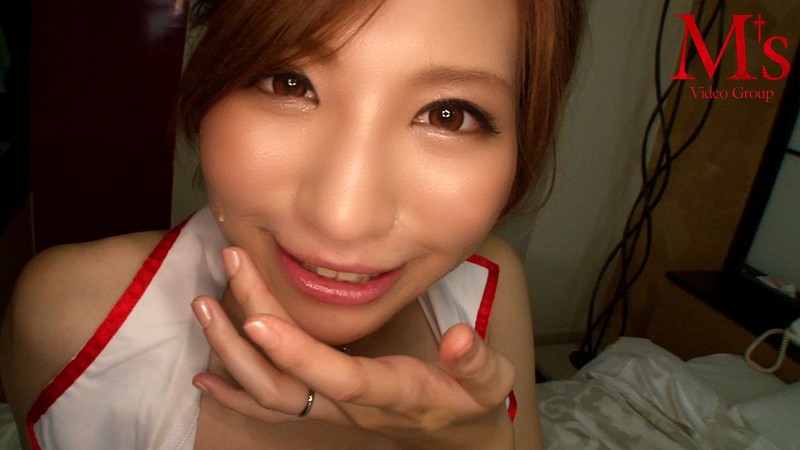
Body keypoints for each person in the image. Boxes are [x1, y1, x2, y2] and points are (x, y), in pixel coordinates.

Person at [0, 0, 583, 448]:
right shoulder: (73, 317)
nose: (343, 218)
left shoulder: (491, 284)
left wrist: (481, 439)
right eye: (289, 82)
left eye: (448, 115)